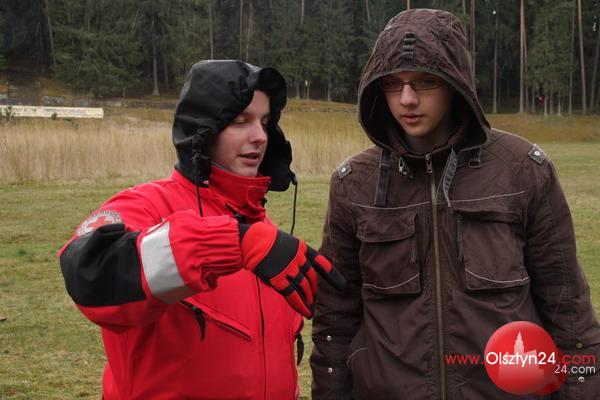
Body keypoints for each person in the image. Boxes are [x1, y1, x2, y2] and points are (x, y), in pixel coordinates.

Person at [311, 8, 600, 399]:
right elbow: (334, 321)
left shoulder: (523, 171)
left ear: (456, 82)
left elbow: (569, 312)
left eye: (425, 81)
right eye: (393, 84)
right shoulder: (353, 185)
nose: (407, 99)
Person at [58, 60, 344, 400]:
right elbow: (89, 271)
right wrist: (229, 243)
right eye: (241, 121)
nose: (259, 136)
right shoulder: (148, 206)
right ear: (203, 130)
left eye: (265, 122)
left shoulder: (266, 234)